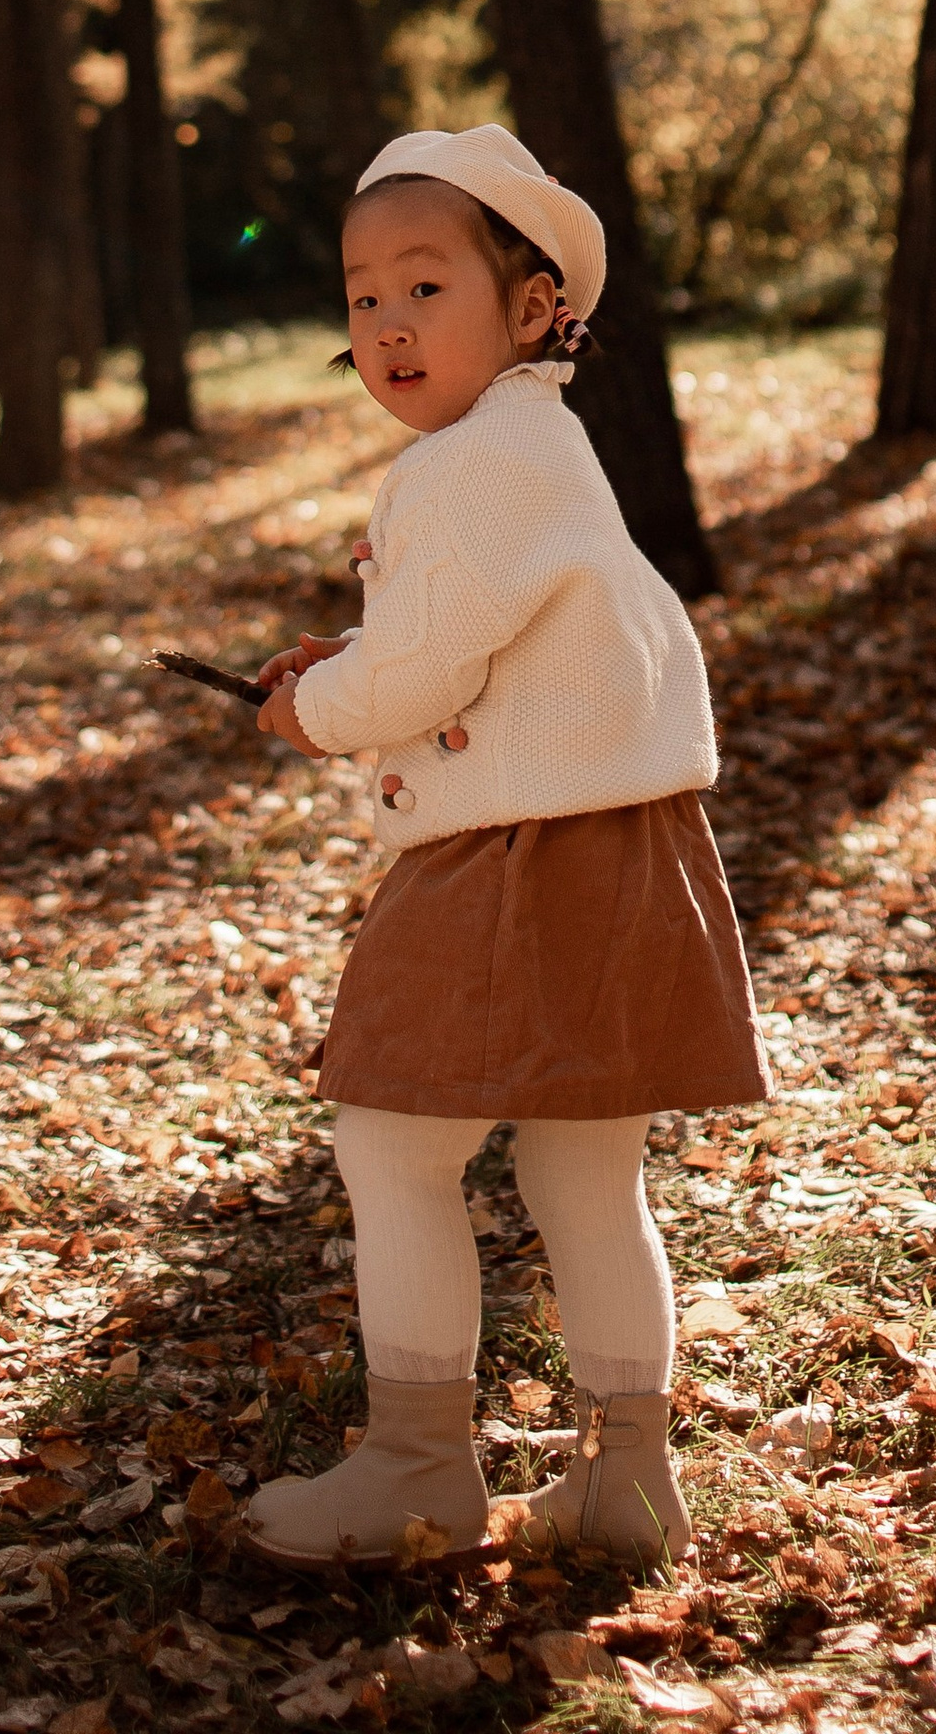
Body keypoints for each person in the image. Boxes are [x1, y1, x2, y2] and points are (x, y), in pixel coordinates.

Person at [241, 121, 766, 1572]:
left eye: (427, 285)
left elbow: (421, 676)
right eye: (362, 296)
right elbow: (476, 639)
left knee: (393, 1137)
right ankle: (627, 1475)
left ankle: (418, 1461)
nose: (389, 322)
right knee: (587, 1177)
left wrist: (319, 711)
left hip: (520, 860)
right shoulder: (535, 441)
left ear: (533, 306)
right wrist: (353, 654)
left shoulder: (475, 461)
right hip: (622, 847)